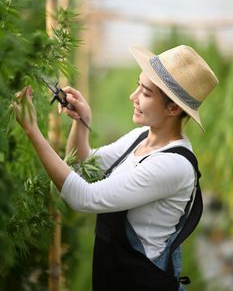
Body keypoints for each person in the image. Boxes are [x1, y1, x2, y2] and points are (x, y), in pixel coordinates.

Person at [13, 45, 218, 291]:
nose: (133, 96)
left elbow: (85, 197)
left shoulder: (172, 165)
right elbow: (81, 166)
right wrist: (82, 123)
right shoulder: (142, 136)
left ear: (173, 108)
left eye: (145, 93)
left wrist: (32, 131)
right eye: (138, 86)